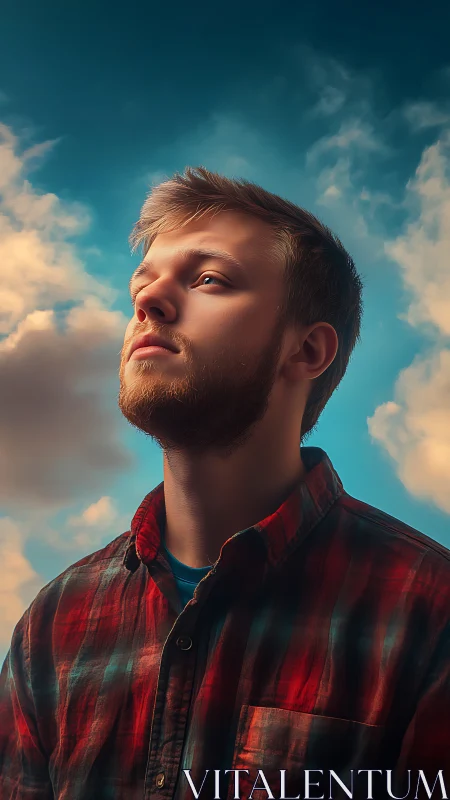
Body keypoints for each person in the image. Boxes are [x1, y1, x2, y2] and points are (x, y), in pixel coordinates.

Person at [0, 167, 449, 800]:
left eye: (209, 279)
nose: (148, 302)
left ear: (308, 352)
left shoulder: (429, 609)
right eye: (144, 281)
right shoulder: (55, 621)